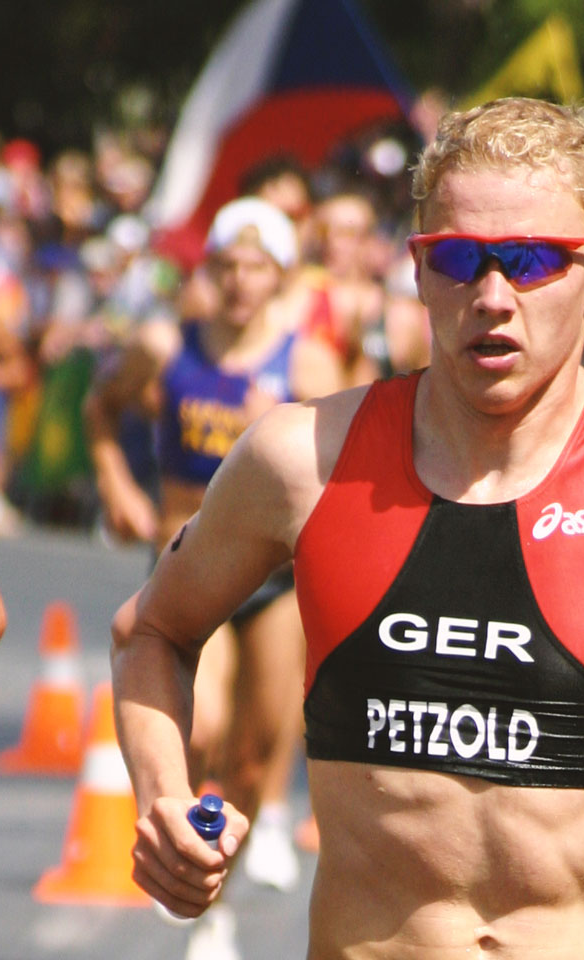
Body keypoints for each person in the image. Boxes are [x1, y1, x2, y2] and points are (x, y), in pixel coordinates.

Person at [109, 97, 584, 958]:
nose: (491, 296)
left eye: (530, 261)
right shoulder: (304, 458)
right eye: (459, 260)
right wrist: (162, 799)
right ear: (415, 267)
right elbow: (152, 631)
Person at [90, 196, 341, 952]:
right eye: (226, 266)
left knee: (260, 747)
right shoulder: (168, 345)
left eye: (256, 268)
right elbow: (102, 406)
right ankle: (200, 879)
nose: (238, 282)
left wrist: (290, 420)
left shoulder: (306, 361)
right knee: (208, 731)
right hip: (191, 563)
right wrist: (118, 486)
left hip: (276, 574)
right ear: (209, 271)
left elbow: (342, 469)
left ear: (281, 277)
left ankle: (218, 896)